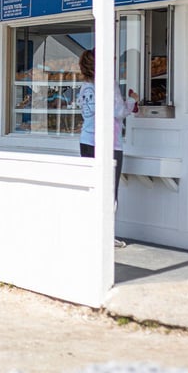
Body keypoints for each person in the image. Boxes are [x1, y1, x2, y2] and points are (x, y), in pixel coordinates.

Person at [77, 49, 138, 248]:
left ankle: (90, 232)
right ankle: (106, 236)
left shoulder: (85, 87)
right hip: (109, 143)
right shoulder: (108, 85)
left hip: (87, 141)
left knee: (93, 188)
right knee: (110, 191)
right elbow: (119, 112)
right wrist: (133, 101)